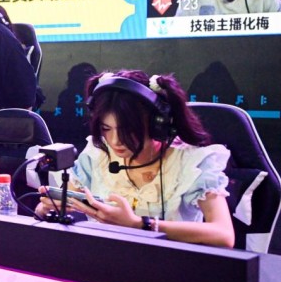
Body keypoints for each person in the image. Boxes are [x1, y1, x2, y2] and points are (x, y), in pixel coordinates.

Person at [36, 70, 234, 248]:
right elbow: (56, 204)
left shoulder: (192, 163)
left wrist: (139, 224)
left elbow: (223, 235)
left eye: (127, 130)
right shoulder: (97, 155)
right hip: (104, 262)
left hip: (170, 267)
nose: (115, 141)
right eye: (106, 129)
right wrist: (47, 208)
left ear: (157, 124)